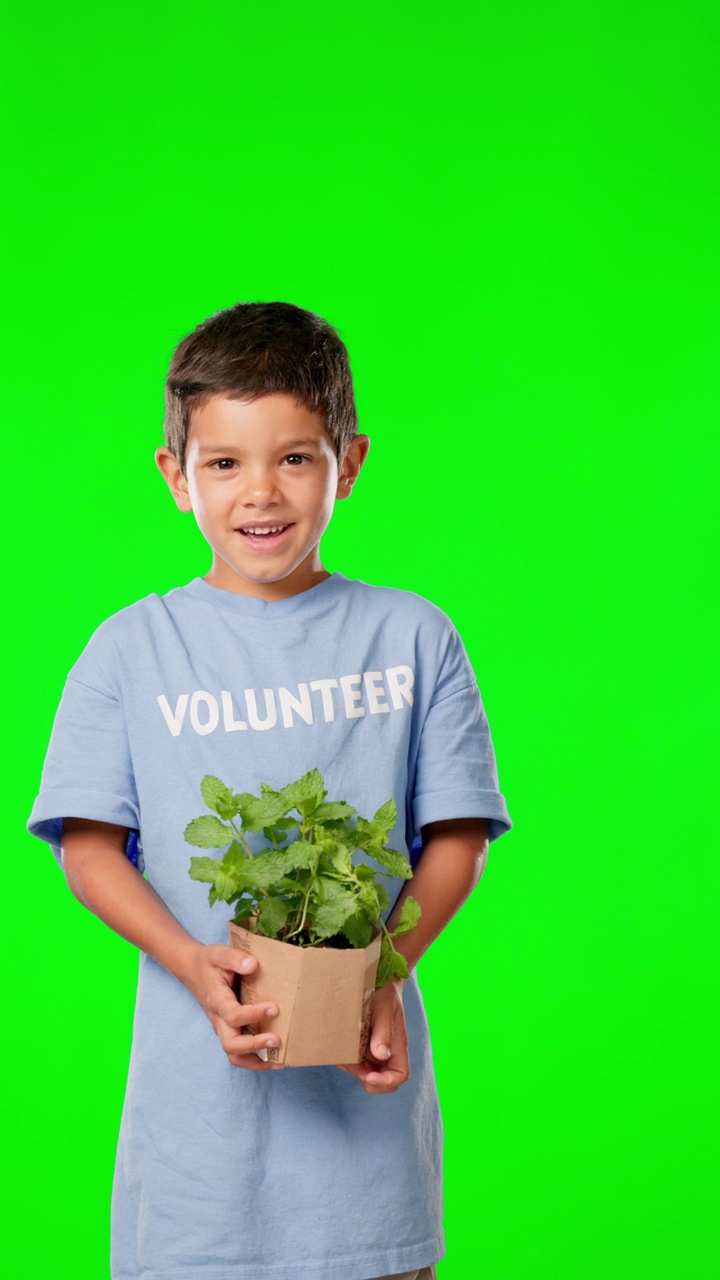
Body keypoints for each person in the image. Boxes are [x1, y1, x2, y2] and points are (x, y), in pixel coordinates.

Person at [28, 301, 512, 1280]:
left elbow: (458, 834)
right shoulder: (132, 649)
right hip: (193, 1161)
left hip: (367, 1157)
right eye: (224, 462)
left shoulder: (413, 637)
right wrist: (188, 958)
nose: (262, 491)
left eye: (296, 457)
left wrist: (386, 963)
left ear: (351, 461)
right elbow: (87, 846)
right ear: (175, 476)